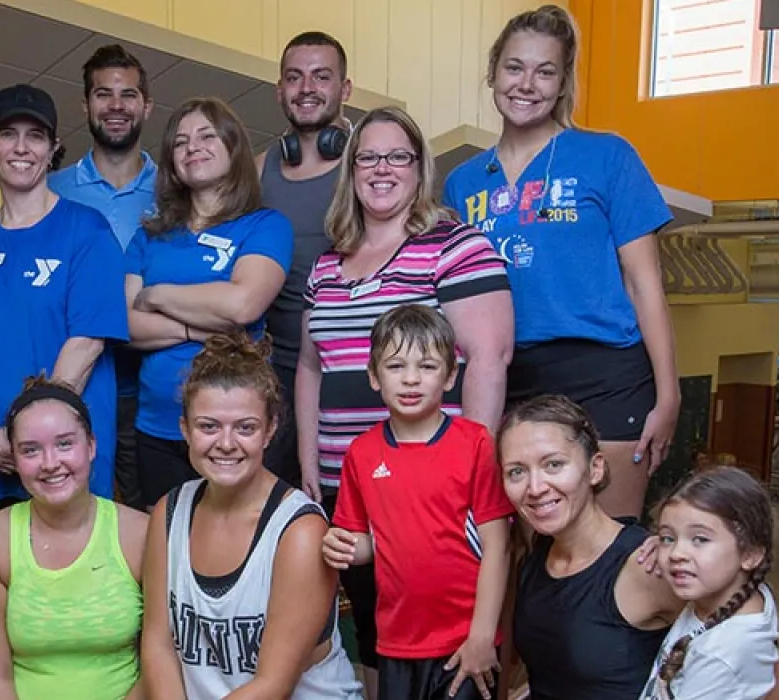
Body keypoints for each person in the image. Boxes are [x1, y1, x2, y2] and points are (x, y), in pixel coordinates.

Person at [298, 106, 514, 689]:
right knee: (376, 629)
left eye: (398, 156)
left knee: (447, 629)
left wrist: (473, 469)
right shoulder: (327, 264)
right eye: (368, 156)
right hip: (350, 476)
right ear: (351, 170)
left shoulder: (456, 245)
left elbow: (489, 359)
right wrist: (308, 462)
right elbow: (311, 366)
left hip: (434, 483)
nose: (382, 169)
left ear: (420, 169)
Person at [443, 4, 681, 520]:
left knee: (610, 548)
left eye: (545, 70)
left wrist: (669, 394)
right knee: (522, 553)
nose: (527, 83)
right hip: (509, 378)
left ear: (562, 81)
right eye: (514, 67)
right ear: (492, 73)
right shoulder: (463, 182)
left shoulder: (608, 156)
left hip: (606, 373)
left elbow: (645, 285)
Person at [0, 84, 129, 537]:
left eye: (36, 136)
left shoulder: (86, 231)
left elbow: (86, 343)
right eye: (8, 134)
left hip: (59, 456)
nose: (21, 147)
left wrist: (33, 438)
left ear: (54, 148)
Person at [139, 334, 363, 699]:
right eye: (208, 426)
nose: (226, 443)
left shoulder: (299, 530)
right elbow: (159, 645)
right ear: (185, 430)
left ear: (270, 430)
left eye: (245, 427)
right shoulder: (170, 512)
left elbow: (272, 685)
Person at [321, 305, 513, 700]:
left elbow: (499, 547)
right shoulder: (361, 453)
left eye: (426, 366)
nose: (411, 379)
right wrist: (336, 545)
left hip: (465, 642)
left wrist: (481, 637)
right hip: (397, 642)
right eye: (395, 366)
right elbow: (364, 544)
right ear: (374, 376)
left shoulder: (476, 444)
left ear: (450, 376)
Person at [124, 97, 292, 509]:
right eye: (180, 142)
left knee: (239, 547)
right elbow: (125, 325)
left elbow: (243, 305)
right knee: (165, 547)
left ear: (233, 147)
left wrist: (158, 295)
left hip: (236, 428)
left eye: (205, 136)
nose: (191, 147)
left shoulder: (264, 225)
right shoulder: (148, 237)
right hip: (159, 426)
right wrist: (197, 327)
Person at [0, 378, 150, 700]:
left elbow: (159, 662)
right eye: (31, 450)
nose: (50, 464)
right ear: (15, 458)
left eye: (65, 444)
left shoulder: (141, 533)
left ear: (91, 446)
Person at [500, 394, 678, 700]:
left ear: (595, 469)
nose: (535, 487)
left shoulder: (646, 564)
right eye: (516, 471)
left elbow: (756, 665)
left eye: (553, 464)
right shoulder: (537, 555)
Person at [49, 44, 159, 508]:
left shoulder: (176, 188)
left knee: (145, 512)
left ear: (146, 106)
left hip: (152, 384)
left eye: (128, 94)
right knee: (70, 505)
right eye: (103, 94)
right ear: (85, 105)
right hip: (77, 377)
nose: (116, 106)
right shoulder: (51, 190)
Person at [257, 31, 353, 488]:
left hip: (352, 361)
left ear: (345, 90)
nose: (307, 88)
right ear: (280, 91)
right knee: (277, 502)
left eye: (321, 76)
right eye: (294, 77)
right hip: (278, 367)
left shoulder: (368, 165)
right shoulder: (258, 169)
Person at [641, 466, 779, 700]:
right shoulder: (748, 594)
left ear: (750, 554)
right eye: (668, 538)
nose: (677, 554)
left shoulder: (722, 654)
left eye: (700, 539)